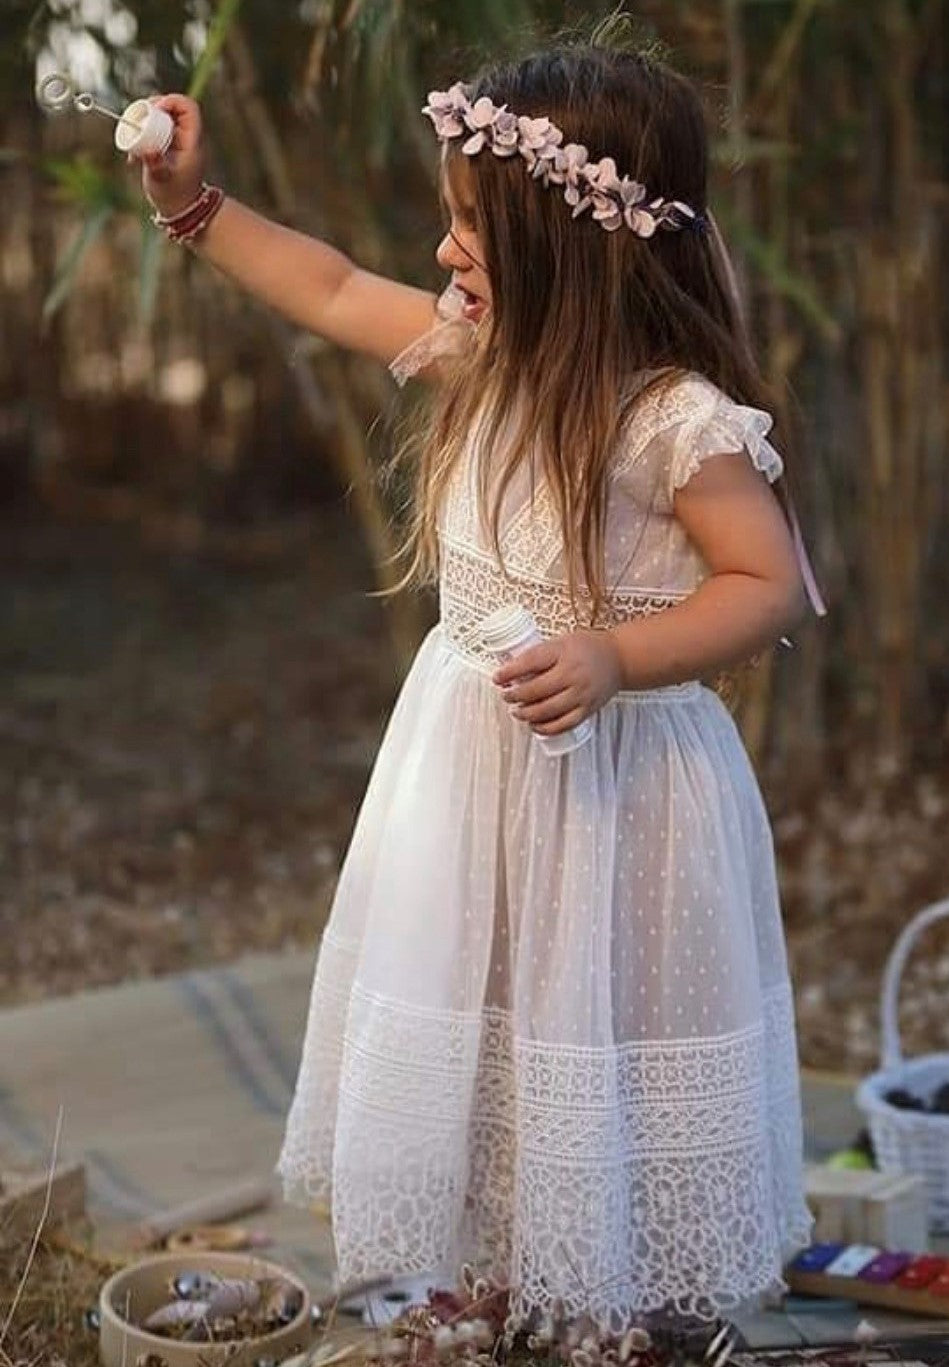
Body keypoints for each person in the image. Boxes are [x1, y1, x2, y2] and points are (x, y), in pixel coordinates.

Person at [136, 37, 824, 1341]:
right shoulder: (480, 354)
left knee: (589, 1021)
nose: (445, 254)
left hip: (612, 788)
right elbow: (331, 287)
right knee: (485, 1011)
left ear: (579, 240)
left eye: (472, 225)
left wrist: (618, 656)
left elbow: (766, 582)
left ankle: (599, 1283)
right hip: (472, 767)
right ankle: (498, 1273)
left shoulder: (665, 417)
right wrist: (192, 205)